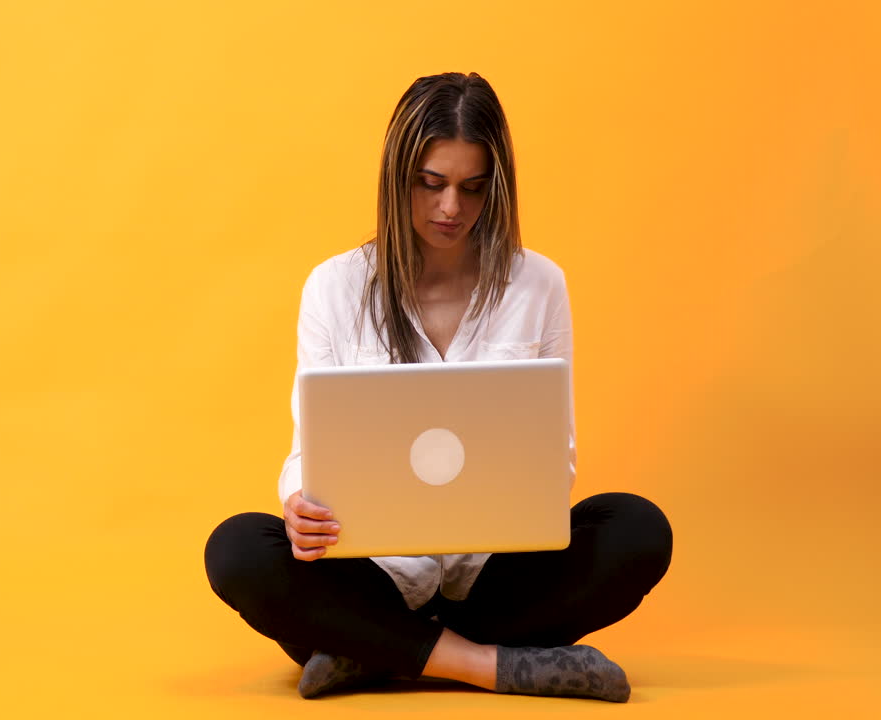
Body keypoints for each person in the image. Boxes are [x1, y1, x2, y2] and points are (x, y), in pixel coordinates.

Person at [203, 72, 673, 703]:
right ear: (397, 178)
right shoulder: (333, 288)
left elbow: (554, 459)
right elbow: (307, 453)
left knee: (639, 528)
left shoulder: (539, 286)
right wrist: (298, 505)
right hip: (371, 576)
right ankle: (485, 664)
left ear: (495, 186)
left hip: (496, 579)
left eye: (472, 187)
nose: (451, 207)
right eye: (431, 183)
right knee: (236, 549)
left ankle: (373, 652)